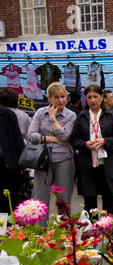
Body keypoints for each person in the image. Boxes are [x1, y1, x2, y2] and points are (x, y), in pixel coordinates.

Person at [70, 85, 113, 217]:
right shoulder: (81, 117)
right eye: (89, 97)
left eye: (95, 96)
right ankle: (92, 233)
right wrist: (85, 144)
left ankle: (110, 231)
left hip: (108, 164)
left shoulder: (111, 116)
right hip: (88, 165)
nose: (93, 100)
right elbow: (73, 139)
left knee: (109, 201)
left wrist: (105, 141)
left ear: (102, 97)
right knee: (89, 202)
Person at [27, 82, 77, 226]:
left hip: (64, 159)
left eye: (63, 97)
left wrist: (53, 118)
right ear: (49, 98)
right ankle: (39, 234)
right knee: (40, 198)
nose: (61, 100)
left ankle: (63, 233)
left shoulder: (71, 115)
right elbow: (31, 134)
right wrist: (52, 139)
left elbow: (65, 137)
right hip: (42, 159)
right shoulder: (40, 112)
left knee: (64, 199)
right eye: (56, 97)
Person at [0, 99, 25, 214]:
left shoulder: (7, 114)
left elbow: (18, 141)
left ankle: (7, 228)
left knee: (8, 200)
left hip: (8, 165)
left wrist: (22, 164)